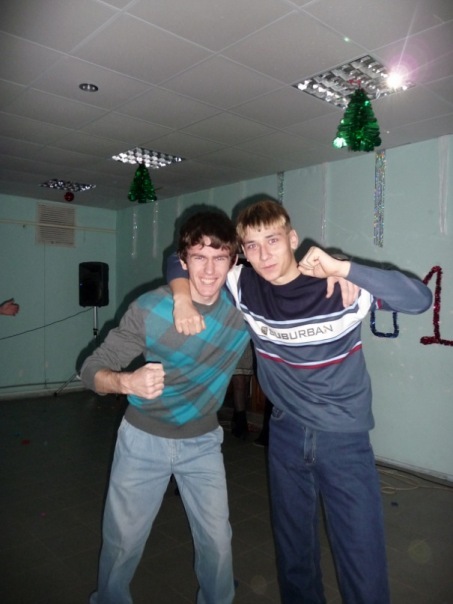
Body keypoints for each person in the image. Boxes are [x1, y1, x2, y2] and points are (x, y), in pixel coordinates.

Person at [168, 199, 432, 604]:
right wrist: (181, 298)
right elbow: (179, 258)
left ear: (292, 238)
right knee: (294, 555)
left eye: (272, 240)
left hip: (343, 438)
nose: (264, 255)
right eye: (252, 245)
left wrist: (344, 268)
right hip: (286, 433)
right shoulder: (244, 285)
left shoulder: (336, 288)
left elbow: (419, 299)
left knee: (361, 556)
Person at [80, 210, 250, 604]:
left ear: (233, 261)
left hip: (202, 442)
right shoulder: (150, 308)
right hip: (143, 439)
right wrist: (126, 382)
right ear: (183, 260)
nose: (209, 270)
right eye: (199, 257)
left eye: (220, 258)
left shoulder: (244, 307)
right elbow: (89, 369)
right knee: (122, 542)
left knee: (217, 542)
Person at [229, 340, 254, 439]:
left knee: (246, 380)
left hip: (249, 341)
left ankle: (237, 417)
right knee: (239, 383)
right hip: (234, 341)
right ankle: (241, 423)